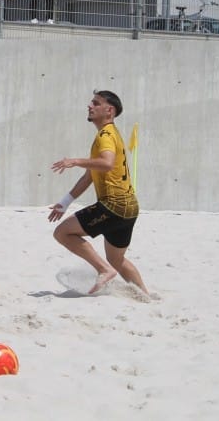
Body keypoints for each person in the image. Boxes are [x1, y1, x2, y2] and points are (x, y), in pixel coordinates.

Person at [47, 90, 149, 296]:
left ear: (109, 110)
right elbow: (89, 177)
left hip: (114, 205)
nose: (90, 106)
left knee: (62, 233)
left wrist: (74, 161)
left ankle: (103, 270)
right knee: (117, 259)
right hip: (129, 208)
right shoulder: (110, 134)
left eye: (95, 103)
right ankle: (144, 296)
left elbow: (106, 163)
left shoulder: (105, 136)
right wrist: (65, 202)